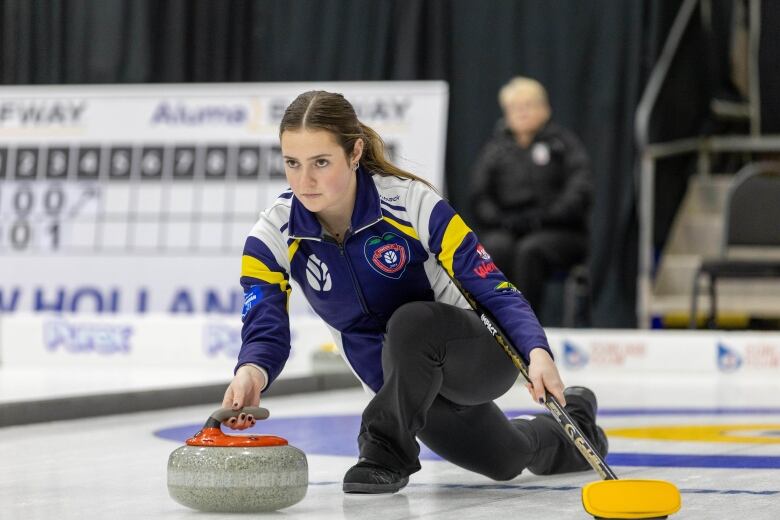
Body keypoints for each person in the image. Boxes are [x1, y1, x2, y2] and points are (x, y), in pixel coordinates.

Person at [221, 90, 607, 494]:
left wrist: (537, 351)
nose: (305, 181)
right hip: (402, 389)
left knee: (409, 321)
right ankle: (577, 421)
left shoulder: (409, 202)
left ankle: (385, 450)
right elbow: (265, 322)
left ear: (354, 153)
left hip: (475, 356)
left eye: (321, 162)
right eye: (292, 164)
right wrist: (252, 372)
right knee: (506, 460)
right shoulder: (272, 235)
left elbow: (492, 284)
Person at [470, 77, 592, 313]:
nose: (521, 113)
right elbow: (479, 195)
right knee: (493, 247)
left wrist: (545, 217)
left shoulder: (562, 145)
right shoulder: (495, 150)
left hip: (559, 231)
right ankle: (495, 319)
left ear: (545, 109)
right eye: (515, 107)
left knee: (530, 250)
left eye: (528, 106)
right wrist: (500, 220)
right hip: (508, 228)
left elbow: (580, 190)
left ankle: (527, 323)